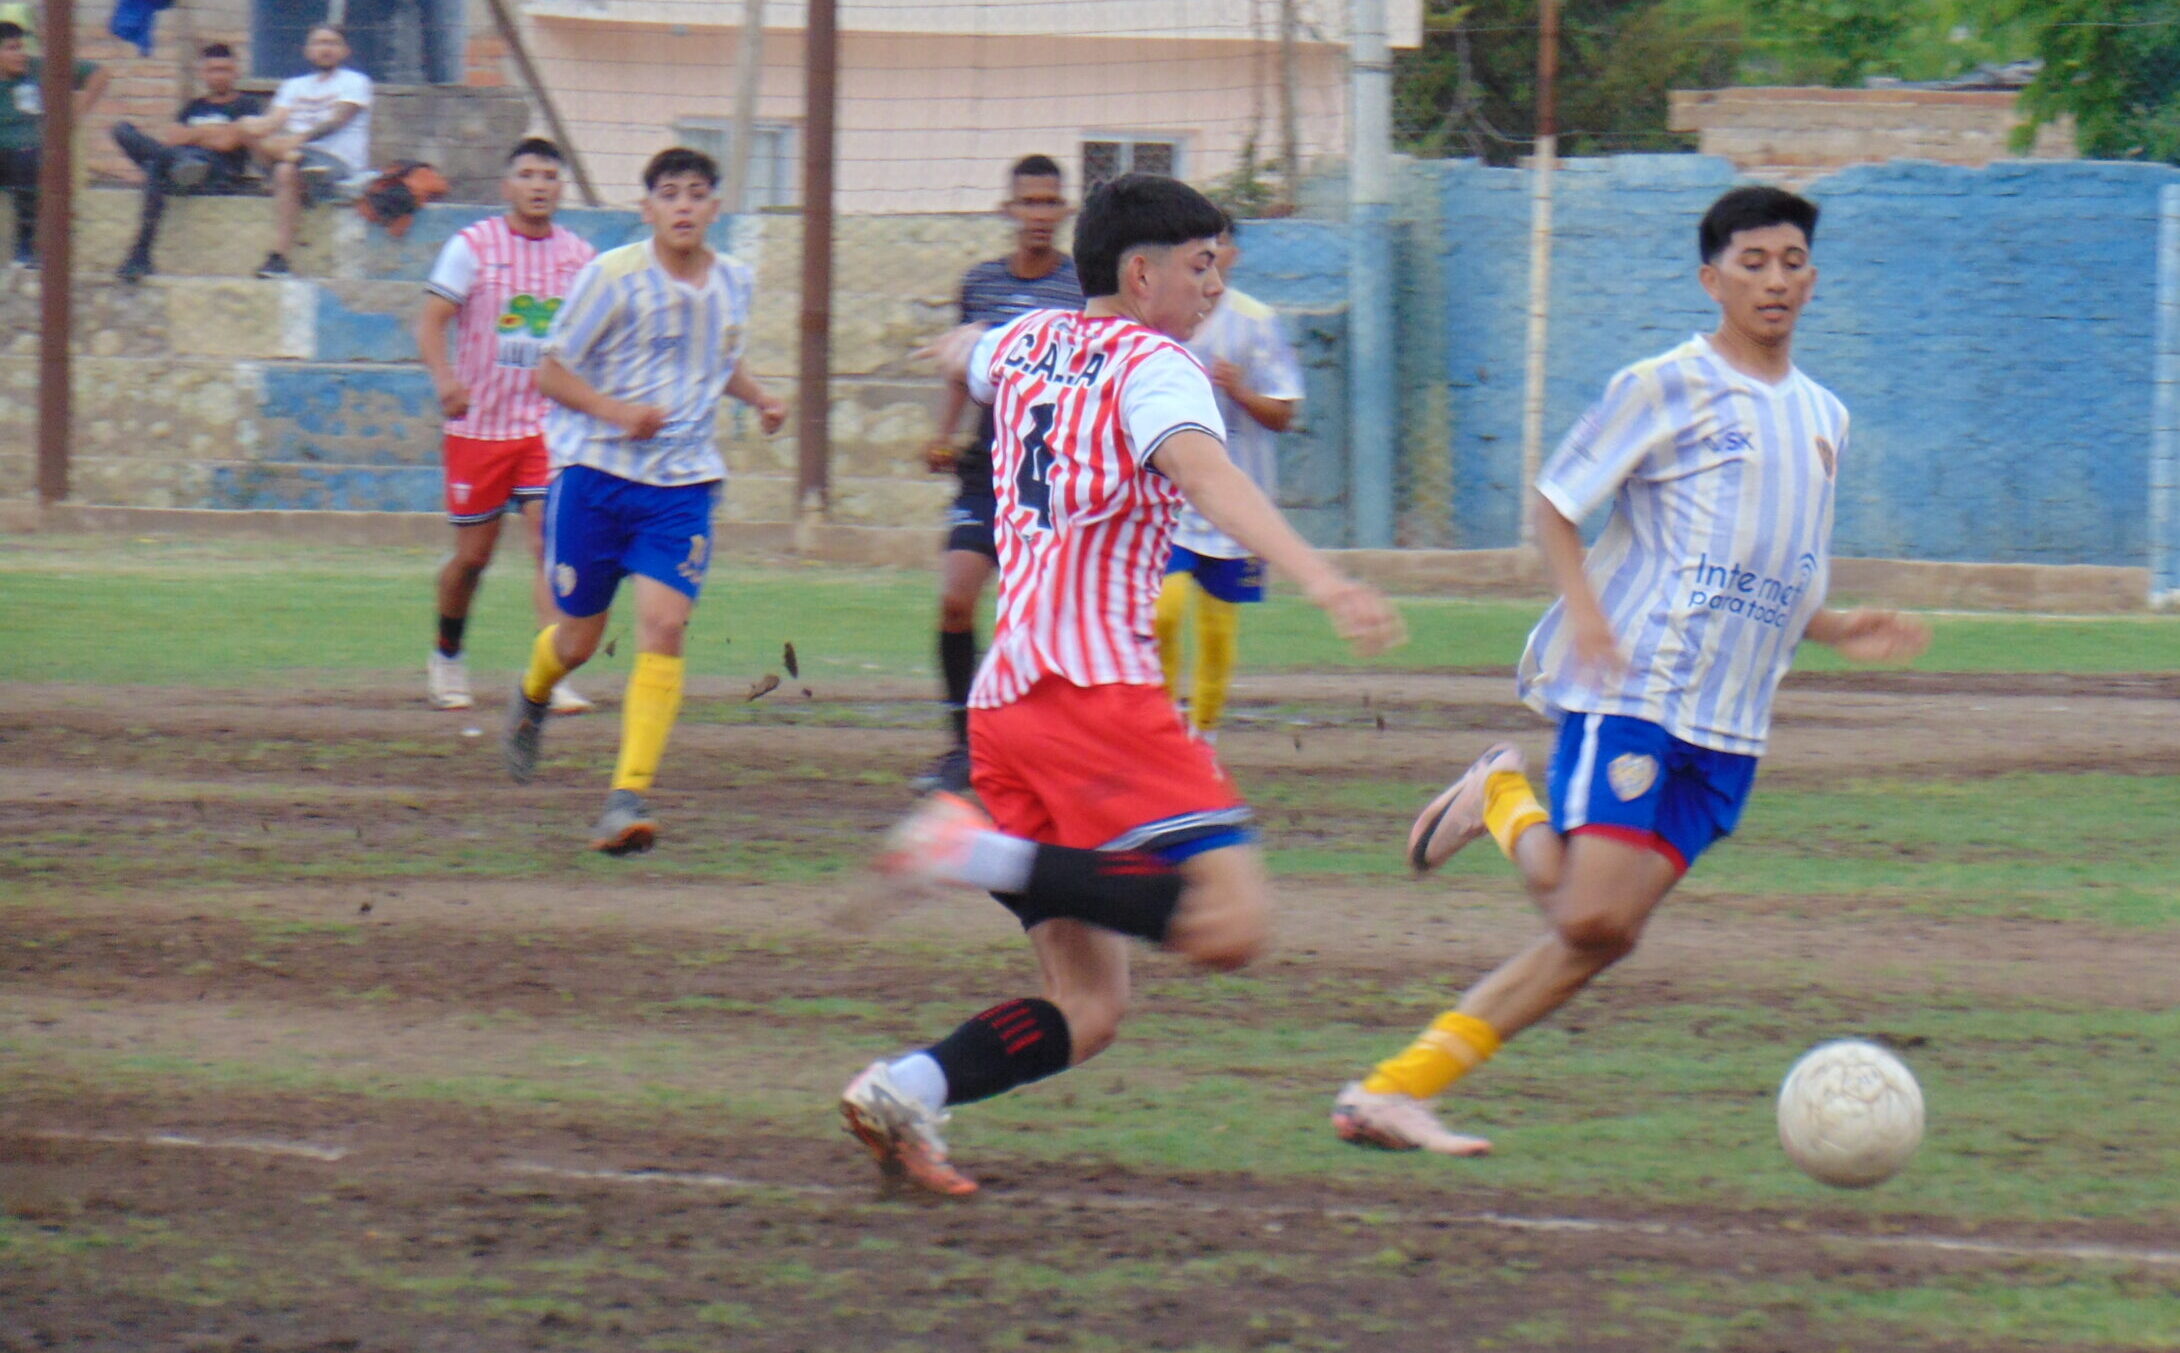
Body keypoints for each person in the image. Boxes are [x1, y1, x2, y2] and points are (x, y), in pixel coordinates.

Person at [1330, 185, 1931, 1156]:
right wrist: (1584, 611)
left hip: (1731, 725)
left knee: (1600, 935)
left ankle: (1392, 1089)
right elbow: (1554, 504)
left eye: (1789, 262)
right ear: (1711, 279)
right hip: (1639, 689)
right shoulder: (1663, 384)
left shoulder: (1825, 417)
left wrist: (1832, 625)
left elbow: (1778, 561)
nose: (1772, 280)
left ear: (1810, 279)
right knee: (1588, 914)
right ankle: (1497, 801)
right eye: (1751, 262)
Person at [840, 173, 1405, 1197]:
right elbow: (1205, 472)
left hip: (1006, 702)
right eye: (1200, 268)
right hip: (1092, 691)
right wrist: (1323, 576)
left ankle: (904, 1089)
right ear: (1138, 274)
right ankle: (971, 848)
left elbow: (969, 351)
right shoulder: (1157, 362)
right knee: (1231, 926)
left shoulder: (1024, 341)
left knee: (1087, 1006)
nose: (1212, 288)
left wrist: (950, 352)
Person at [502, 146, 788, 855]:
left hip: (683, 484)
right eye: (670, 193)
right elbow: (550, 372)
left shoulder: (734, 283)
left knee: (663, 628)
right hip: (595, 476)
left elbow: (715, 362)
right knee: (579, 640)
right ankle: (534, 690)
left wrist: (759, 397)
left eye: (697, 193)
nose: (684, 205)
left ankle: (626, 796)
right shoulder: (612, 276)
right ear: (648, 208)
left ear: (715, 207)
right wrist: (616, 410)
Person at [914, 154, 1082, 793]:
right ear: (1008, 211)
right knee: (957, 598)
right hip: (987, 465)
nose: (1039, 214)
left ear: (1063, 212)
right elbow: (963, 363)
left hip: (1055, 473)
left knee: (1037, 618)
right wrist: (944, 433)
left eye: (1049, 202)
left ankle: (1039, 751)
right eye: (1028, 202)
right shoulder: (981, 284)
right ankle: (964, 748)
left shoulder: (1081, 286)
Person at [416, 137, 597, 715]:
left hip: (547, 429)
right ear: (507, 185)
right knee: (473, 558)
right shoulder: (472, 247)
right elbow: (431, 320)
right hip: (479, 428)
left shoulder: (579, 257)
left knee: (549, 542)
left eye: (549, 175)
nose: (539, 184)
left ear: (560, 187)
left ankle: (551, 671)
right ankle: (447, 655)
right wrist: (445, 378)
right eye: (528, 174)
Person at [1153, 218, 1304, 740]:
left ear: (1233, 254)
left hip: (1237, 503)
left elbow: (1284, 413)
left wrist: (1240, 391)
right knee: (1163, 610)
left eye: (1219, 246)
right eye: (1199, 248)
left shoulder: (1256, 322)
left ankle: (1205, 738)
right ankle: (1165, 728)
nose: (1210, 257)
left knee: (1217, 629)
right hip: (1171, 499)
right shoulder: (1162, 317)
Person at [111, 43, 263, 284]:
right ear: (204, 73)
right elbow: (173, 138)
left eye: (224, 69)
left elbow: (227, 143)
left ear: (235, 72)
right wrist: (214, 132)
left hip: (218, 174)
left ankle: (140, 254)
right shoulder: (193, 106)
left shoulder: (247, 106)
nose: (219, 75)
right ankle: (181, 165)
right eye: (213, 70)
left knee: (156, 166)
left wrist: (195, 134)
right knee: (123, 131)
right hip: (177, 165)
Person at [251, 24, 372, 279]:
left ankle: (279, 257)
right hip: (295, 155)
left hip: (336, 161)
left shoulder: (356, 81)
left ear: (345, 51)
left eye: (332, 43)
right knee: (253, 134)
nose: (325, 48)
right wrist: (250, 129)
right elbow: (274, 121)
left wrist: (296, 140)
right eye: (319, 43)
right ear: (308, 51)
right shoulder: (293, 86)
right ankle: (296, 166)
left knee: (285, 169)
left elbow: (337, 121)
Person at [0, 19, 106, 268]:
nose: (21, 54)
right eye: (12, 48)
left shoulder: (38, 69)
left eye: (21, 47)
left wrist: (74, 115)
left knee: (27, 158)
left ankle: (28, 242)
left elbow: (98, 74)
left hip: (31, 155)